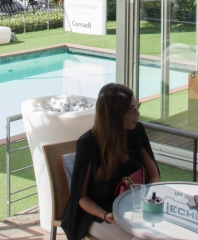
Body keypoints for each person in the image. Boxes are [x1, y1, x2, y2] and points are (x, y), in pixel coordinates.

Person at [62, 83, 161, 240]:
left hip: (131, 208)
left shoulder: (136, 132)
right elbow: (81, 197)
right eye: (131, 109)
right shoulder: (88, 144)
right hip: (97, 214)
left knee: (158, 235)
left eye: (137, 106)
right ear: (114, 114)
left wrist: (146, 201)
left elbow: (154, 174)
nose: (137, 113)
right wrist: (105, 215)